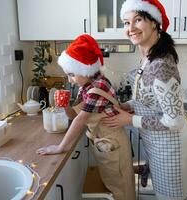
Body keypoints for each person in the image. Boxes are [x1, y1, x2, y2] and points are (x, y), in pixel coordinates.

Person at [102, 0, 187, 199]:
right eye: (127, 23)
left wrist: (130, 120)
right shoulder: (148, 57)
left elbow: (174, 120)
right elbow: (148, 99)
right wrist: (126, 106)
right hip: (158, 144)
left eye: (138, 20)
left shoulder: (160, 64)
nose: (131, 28)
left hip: (171, 148)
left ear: (154, 22)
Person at [36, 34, 135, 200]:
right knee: (114, 186)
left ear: (84, 69)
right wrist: (64, 105)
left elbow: (80, 119)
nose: (70, 80)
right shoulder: (87, 85)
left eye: (72, 74)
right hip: (105, 143)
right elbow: (74, 114)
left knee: (122, 190)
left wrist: (61, 147)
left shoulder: (99, 86)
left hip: (114, 144)